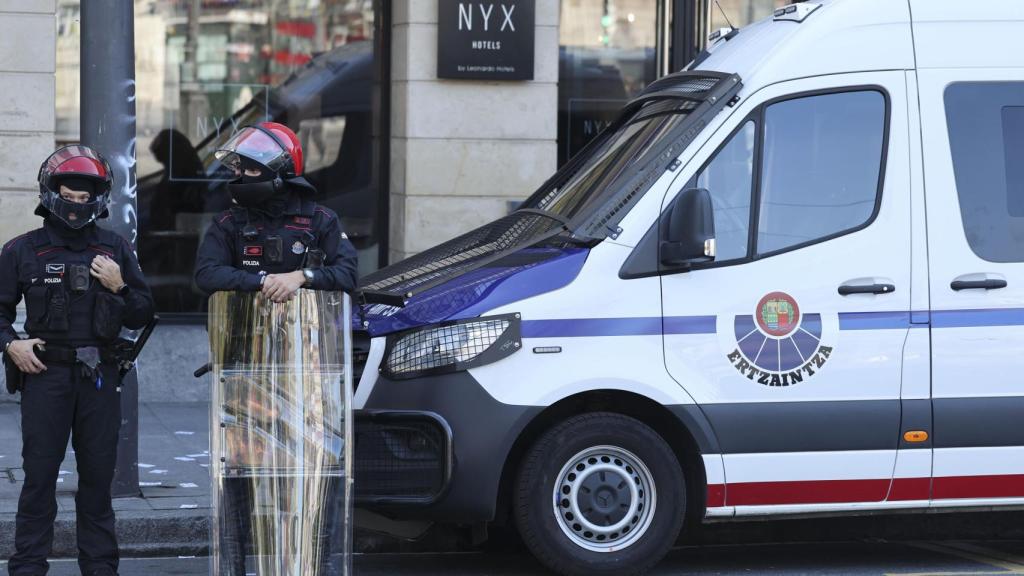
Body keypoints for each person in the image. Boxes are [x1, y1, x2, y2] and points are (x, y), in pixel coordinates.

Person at [193, 122, 357, 575]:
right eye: (239, 167)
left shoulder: (320, 221)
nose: (239, 176)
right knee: (239, 481)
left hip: (309, 377)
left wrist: (302, 277)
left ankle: (312, 565)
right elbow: (206, 276)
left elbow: (348, 274)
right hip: (244, 374)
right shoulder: (228, 224)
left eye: (248, 168)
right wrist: (260, 281)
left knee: (309, 479)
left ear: (277, 171)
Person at [1, 145, 155, 576]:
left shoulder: (115, 249)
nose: (77, 205)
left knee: (96, 483)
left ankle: (101, 568)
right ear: (52, 193)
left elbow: (143, 313)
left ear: (99, 199)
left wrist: (121, 285)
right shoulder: (22, 250)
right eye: (70, 195)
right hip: (44, 375)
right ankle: (28, 567)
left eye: (86, 198)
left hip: (99, 376)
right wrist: (11, 344)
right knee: (39, 479)